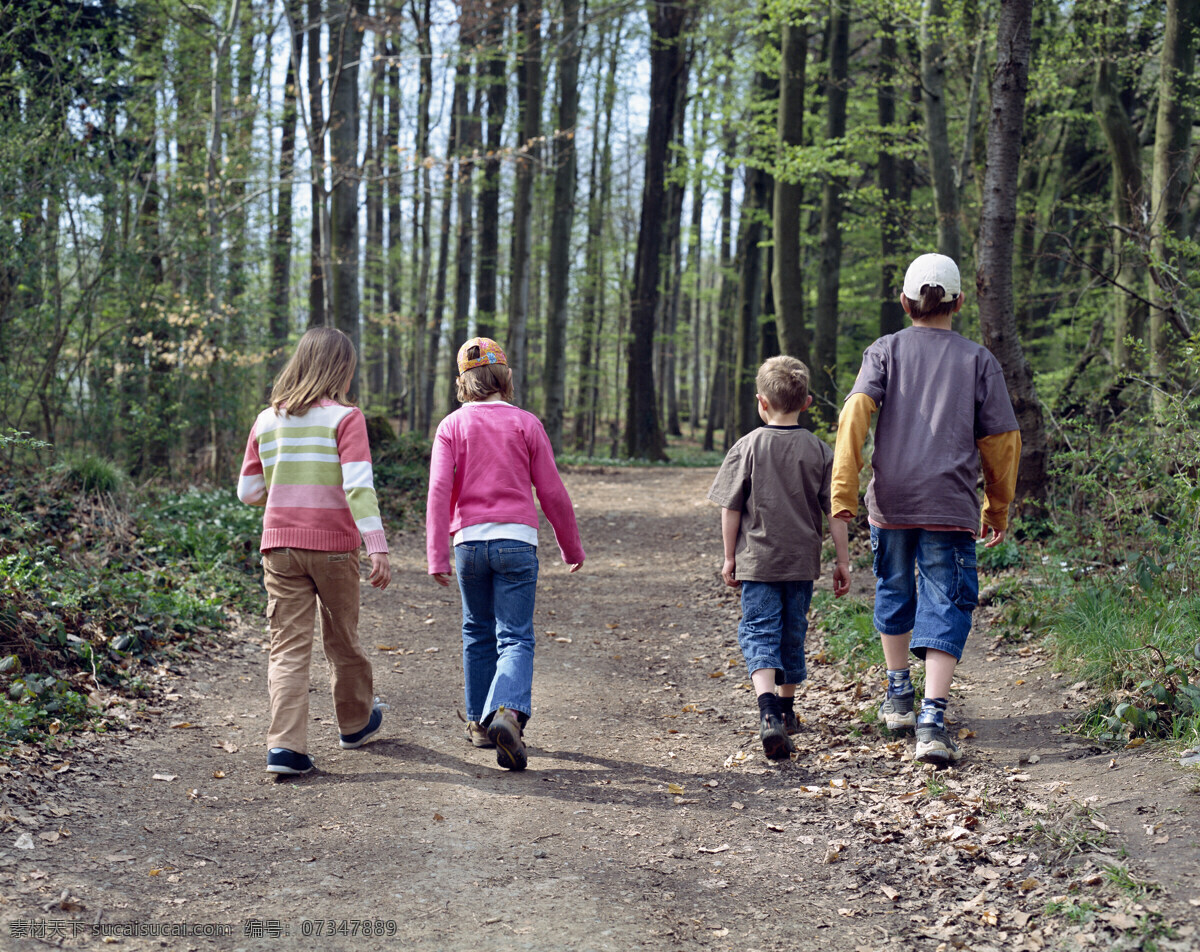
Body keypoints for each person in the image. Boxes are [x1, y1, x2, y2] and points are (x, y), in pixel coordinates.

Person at [831, 253, 1021, 765]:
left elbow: (854, 416)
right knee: (948, 601)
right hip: (950, 504)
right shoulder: (978, 359)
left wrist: (844, 493)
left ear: (904, 302)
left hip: (891, 502)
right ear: (960, 302)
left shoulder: (884, 350)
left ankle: (898, 697)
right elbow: (1002, 441)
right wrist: (996, 507)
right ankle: (932, 719)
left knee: (895, 589)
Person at [237, 327, 391, 776]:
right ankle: (355, 723)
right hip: (334, 550)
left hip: (279, 547)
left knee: (286, 647)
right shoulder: (346, 417)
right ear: (341, 368)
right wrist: (376, 544)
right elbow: (359, 486)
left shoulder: (267, 420)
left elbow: (248, 492)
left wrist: (285, 485)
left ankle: (285, 748)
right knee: (342, 639)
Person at [426, 338, 585, 771]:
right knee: (514, 635)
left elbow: (440, 490)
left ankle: (481, 724)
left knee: (476, 630)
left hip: (468, 544)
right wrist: (570, 544)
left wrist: (436, 552)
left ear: (463, 382)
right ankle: (507, 714)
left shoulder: (451, 426)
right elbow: (551, 490)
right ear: (505, 377)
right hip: (517, 540)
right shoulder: (526, 423)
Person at [707, 356, 851, 761]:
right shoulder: (820, 450)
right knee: (792, 631)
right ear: (806, 402)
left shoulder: (747, 446)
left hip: (757, 561)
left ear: (761, 402)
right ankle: (786, 712)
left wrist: (728, 557)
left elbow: (731, 507)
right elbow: (835, 510)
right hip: (801, 563)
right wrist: (843, 561)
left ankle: (768, 708)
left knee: (759, 630)